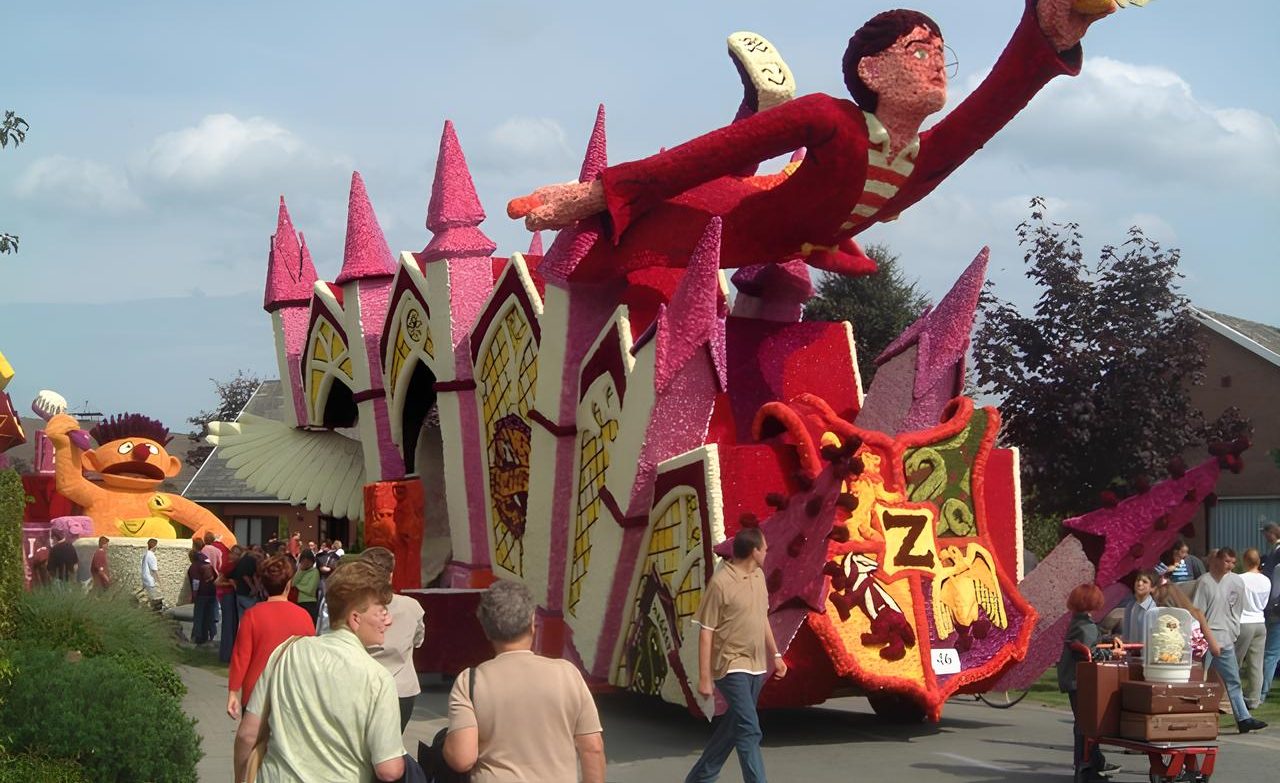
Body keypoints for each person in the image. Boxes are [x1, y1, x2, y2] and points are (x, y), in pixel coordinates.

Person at [508, 1, 1114, 281]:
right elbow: (704, 157)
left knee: (763, 185)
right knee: (724, 184)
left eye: (942, 54)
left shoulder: (924, 158)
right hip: (717, 223)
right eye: (920, 52)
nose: (938, 67)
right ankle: (757, 106)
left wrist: (1052, 26)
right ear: (872, 72)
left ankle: (759, 115)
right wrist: (595, 192)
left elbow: (997, 101)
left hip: (795, 232)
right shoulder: (830, 118)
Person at [233, 559, 409, 783]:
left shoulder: (286, 652)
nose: (389, 620)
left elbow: (247, 734)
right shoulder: (378, 678)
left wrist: (240, 776)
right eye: (381, 612)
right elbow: (389, 769)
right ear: (355, 618)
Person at [444, 580, 605, 783]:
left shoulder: (470, 681)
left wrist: (447, 746)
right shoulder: (567, 673)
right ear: (532, 622)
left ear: (486, 630)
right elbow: (592, 748)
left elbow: (462, 759)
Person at [684, 528, 786, 783]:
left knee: (734, 726)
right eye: (764, 548)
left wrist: (776, 654)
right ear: (754, 551)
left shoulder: (758, 577)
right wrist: (705, 678)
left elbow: (761, 618)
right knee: (749, 728)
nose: (766, 552)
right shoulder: (720, 583)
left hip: (756, 665)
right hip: (730, 665)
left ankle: (699, 778)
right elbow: (706, 632)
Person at [227, 555, 316, 721]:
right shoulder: (304, 616)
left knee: (254, 744)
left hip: (255, 692)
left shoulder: (252, 614)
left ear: (263, 584)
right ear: (289, 584)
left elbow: (241, 656)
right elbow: (310, 659)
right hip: (291, 692)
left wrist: (233, 691)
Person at [1193, 548, 1267, 733]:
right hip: (1208, 637)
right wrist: (1207, 637)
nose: (1230, 566)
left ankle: (1243, 718)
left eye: (1233, 563)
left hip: (1226, 636)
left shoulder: (1236, 581)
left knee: (1233, 679)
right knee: (1201, 680)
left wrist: (1234, 630)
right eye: (1226, 561)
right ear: (1216, 560)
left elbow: (1237, 608)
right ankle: (1198, 718)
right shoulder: (1205, 582)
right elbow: (1198, 612)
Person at [1057, 583, 1121, 782]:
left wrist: (1109, 640)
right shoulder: (1086, 626)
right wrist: (1113, 652)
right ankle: (1087, 764)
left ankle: (1094, 761)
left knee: (1084, 723)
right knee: (1086, 724)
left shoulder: (1077, 622)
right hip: (1080, 680)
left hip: (1072, 678)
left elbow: (1090, 642)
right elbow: (1090, 652)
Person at [360, 547, 426, 733]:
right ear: (390, 575)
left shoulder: (354, 608)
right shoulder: (411, 606)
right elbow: (418, 640)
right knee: (393, 747)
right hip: (401, 688)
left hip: (364, 687)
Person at [1237, 548, 1270, 709]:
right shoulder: (1266, 580)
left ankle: (1230, 697)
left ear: (1245, 560)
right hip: (1259, 621)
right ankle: (1254, 699)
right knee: (1256, 664)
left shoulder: (1239, 579)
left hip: (1243, 621)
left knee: (1234, 663)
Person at [1260, 521, 1280, 703]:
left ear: (1272, 532)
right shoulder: (1274, 550)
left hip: (1276, 607)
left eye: (1265, 533)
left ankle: (1262, 691)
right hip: (1274, 606)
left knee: (1271, 653)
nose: (1264, 537)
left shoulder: (1278, 551)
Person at [217, 545, 244, 663]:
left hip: (233, 596)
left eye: (238, 554)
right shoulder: (228, 566)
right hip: (228, 595)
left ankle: (230, 653)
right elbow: (217, 582)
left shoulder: (237, 566)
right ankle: (226, 654)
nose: (235, 556)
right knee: (228, 625)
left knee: (233, 625)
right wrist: (231, 584)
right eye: (234, 553)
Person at [188, 548, 217, 645]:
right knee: (209, 615)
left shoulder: (194, 567)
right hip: (212, 593)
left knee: (199, 616)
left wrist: (194, 595)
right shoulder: (207, 565)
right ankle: (210, 636)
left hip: (202, 594)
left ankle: (197, 637)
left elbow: (196, 582)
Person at [1121, 570, 1157, 644]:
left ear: (1152, 588)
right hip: (1131, 651)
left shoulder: (1154, 609)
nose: (1140, 584)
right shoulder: (1130, 607)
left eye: (1145, 582)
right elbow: (1126, 636)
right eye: (1138, 580)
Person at [292, 549, 321, 626]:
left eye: (308, 561)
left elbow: (310, 590)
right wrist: (301, 571)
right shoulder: (300, 571)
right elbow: (293, 583)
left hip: (309, 603)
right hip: (298, 603)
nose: (306, 563)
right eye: (304, 561)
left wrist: (298, 586)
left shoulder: (315, 572)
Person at [141, 537, 161, 610]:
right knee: (155, 601)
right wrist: (159, 582)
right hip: (150, 582)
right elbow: (154, 571)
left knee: (149, 600)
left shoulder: (146, 554)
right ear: (155, 546)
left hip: (145, 580)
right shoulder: (152, 556)